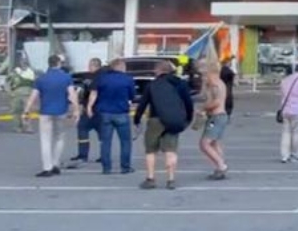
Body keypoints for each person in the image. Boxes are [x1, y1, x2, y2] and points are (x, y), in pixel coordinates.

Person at [133, 61, 194, 190]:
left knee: (151, 150)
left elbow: (143, 104)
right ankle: (171, 179)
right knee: (171, 151)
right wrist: (188, 118)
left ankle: (150, 179)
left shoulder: (152, 85)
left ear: (158, 71)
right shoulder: (180, 84)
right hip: (174, 120)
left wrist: (137, 119)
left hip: (155, 119)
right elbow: (188, 103)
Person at [21, 55, 79, 177]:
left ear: (49, 63)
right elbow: (72, 95)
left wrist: (26, 111)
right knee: (60, 137)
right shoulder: (66, 77)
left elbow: (33, 97)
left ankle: (47, 168)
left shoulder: (41, 79)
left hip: (45, 112)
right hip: (61, 111)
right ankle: (56, 164)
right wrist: (76, 110)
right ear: (59, 63)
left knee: (45, 140)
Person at [88, 58, 136, 175]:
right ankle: (125, 167)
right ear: (121, 67)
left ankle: (106, 167)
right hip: (121, 112)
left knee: (106, 142)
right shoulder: (128, 79)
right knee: (125, 141)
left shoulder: (102, 78)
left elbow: (94, 93)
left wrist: (89, 107)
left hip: (105, 113)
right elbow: (132, 96)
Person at [198, 59, 230, 179]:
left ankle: (221, 166)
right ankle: (220, 167)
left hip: (216, 117)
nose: (201, 74)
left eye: (203, 71)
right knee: (214, 143)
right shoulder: (217, 83)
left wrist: (203, 108)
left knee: (204, 144)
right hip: (219, 117)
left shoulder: (215, 84)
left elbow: (216, 102)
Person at [70, 58, 104, 164]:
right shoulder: (88, 76)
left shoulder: (100, 77)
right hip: (94, 108)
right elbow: (82, 91)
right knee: (87, 129)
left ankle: (85, 155)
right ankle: (97, 155)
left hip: (96, 108)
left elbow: (93, 92)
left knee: (87, 129)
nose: (89, 67)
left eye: (90, 65)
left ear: (96, 65)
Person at [6, 56, 36, 133]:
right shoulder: (15, 71)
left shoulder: (31, 72)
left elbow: (35, 84)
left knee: (27, 111)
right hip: (16, 95)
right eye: (22, 61)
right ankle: (17, 127)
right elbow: (7, 82)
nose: (23, 63)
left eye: (25, 61)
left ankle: (28, 127)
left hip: (27, 94)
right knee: (16, 111)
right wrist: (9, 92)